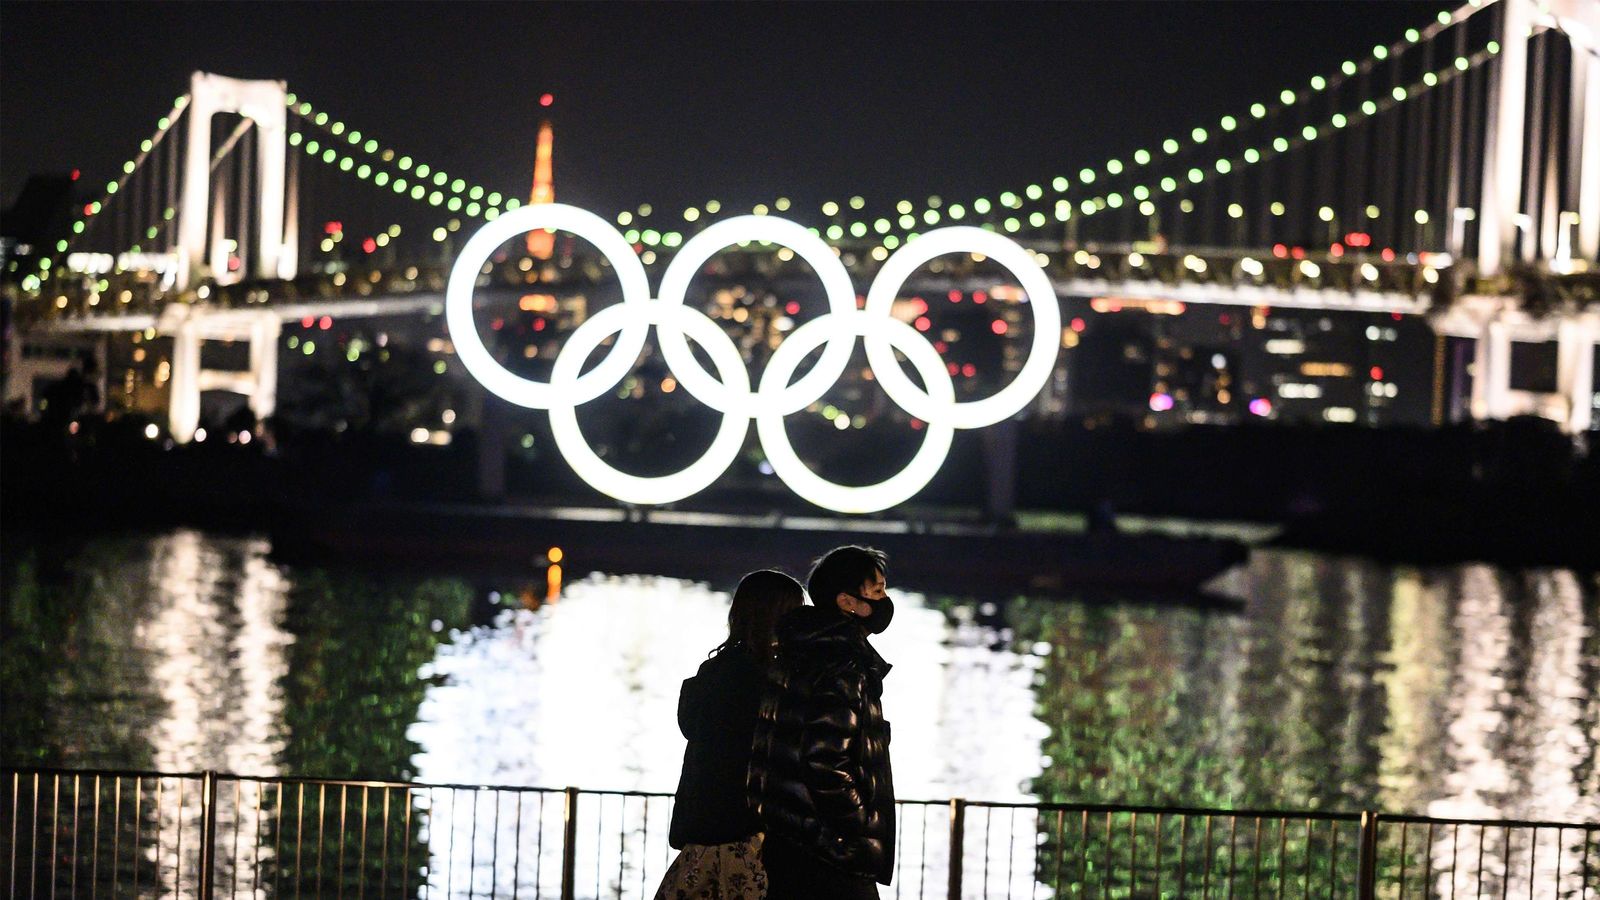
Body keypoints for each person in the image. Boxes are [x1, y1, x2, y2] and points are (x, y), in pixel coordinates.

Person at [749, 546, 896, 900]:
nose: (885, 601)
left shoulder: (795, 653)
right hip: (830, 853)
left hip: (789, 839)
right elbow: (825, 760)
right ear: (847, 602)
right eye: (876, 592)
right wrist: (860, 825)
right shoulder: (842, 664)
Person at [656, 569, 805, 900]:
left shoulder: (713, 672)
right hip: (752, 838)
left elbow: (693, 731)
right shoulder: (777, 681)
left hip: (702, 834)